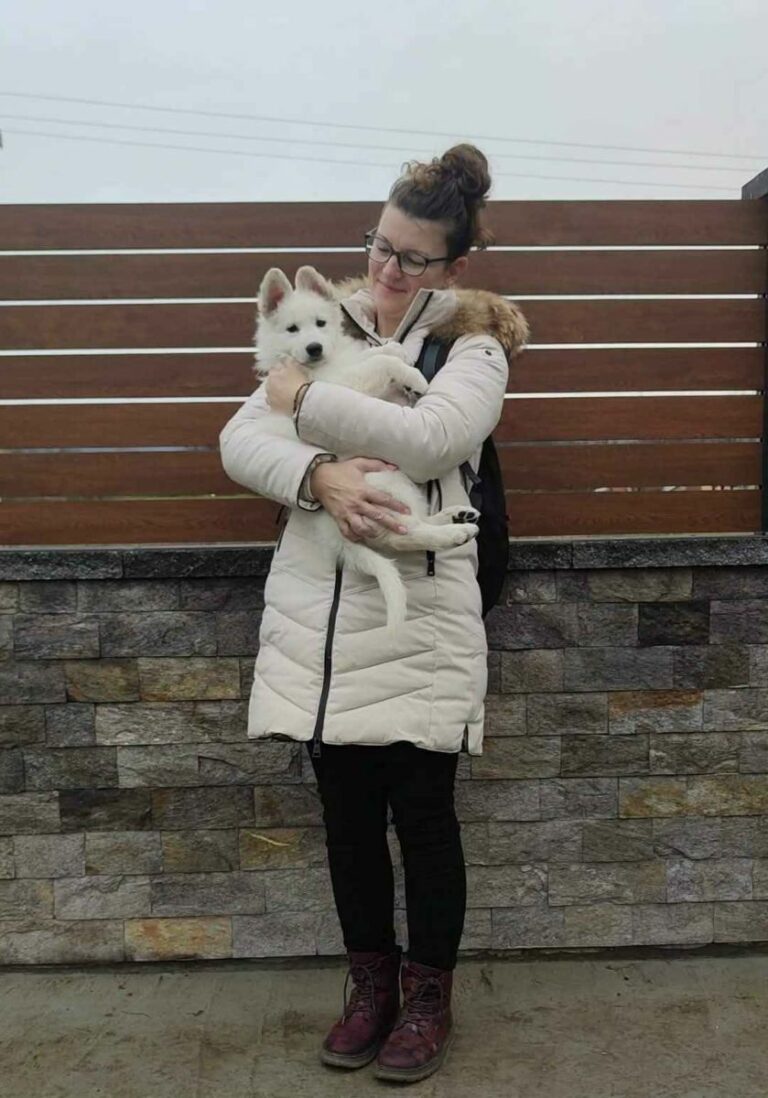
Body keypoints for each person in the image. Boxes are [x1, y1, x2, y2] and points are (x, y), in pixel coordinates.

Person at [218, 144, 527, 1084]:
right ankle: (370, 988)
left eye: (414, 257)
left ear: (453, 266)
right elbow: (238, 441)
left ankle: (428, 997)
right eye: (381, 245)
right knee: (347, 823)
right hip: (321, 621)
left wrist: (303, 401)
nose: (389, 270)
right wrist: (315, 472)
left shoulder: (473, 347)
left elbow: (431, 438)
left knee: (423, 819)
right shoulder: (321, 325)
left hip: (419, 622)